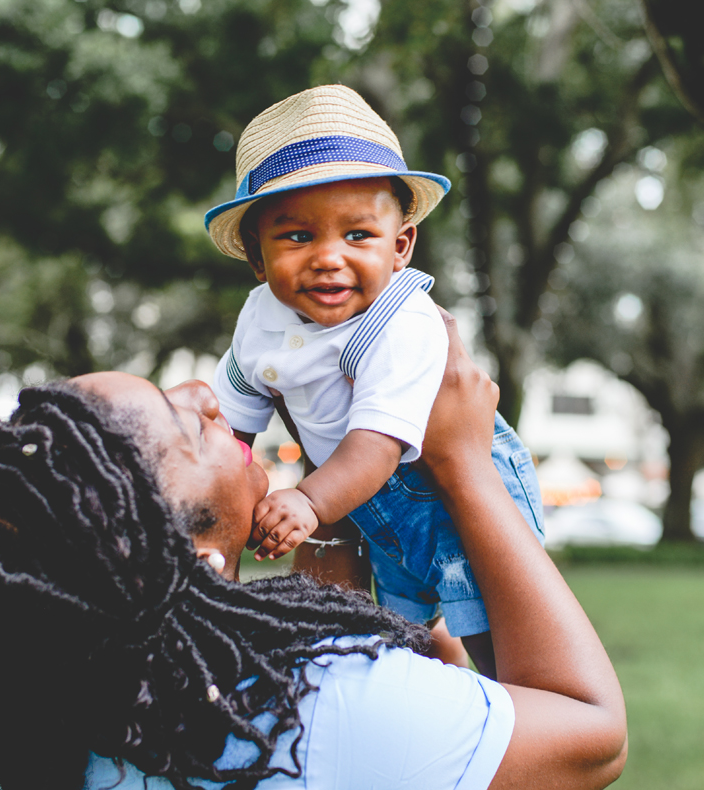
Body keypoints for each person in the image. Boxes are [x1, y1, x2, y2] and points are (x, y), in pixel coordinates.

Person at [0, 315, 625, 790]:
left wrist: (334, 475)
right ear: (179, 552)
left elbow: (351, 633)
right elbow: (592, 736)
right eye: (184, 428)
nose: (203, 392)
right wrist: (465, 464)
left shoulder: (43, 736)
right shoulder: (335, 706)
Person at [206, 86, 545, 675]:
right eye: (297, 236)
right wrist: (218, 504)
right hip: (365, 505)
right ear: (257, 260)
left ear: (400, 248)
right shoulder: (259, 319)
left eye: (358, 235)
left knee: (496, 644)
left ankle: (507, 720)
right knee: (393, 644)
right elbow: (231, 422)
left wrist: (308, 500)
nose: (329, 257)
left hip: (446, 492)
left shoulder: (402, 320)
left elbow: (378, 444)